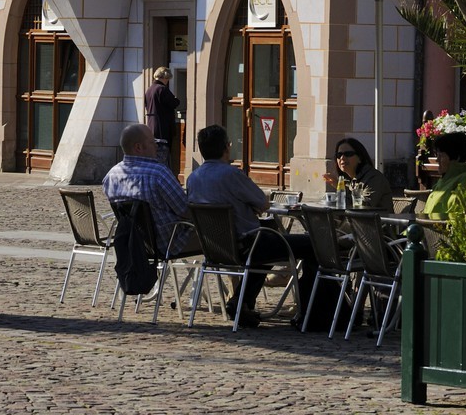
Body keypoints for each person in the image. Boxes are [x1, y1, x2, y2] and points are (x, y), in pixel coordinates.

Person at [186, 123, 315, 329]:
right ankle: (312, 307)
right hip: (247, 244)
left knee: (266, 247)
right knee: (312, 244)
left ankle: (241, 303)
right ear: (226, 148)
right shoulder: (231, 174)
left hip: (215, 247)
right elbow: (263, 203)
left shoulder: (193, 178)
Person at [102, 122, 199, 260]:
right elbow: (186, 210)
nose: (156, 146)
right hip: (168, 243)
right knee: (217, 233)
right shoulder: (158, 173)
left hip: (133, 243)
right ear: (138, 147)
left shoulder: (111, 176)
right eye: (152, 142)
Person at [423, 131, 466, 220]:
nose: (437, 160)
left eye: (441, 155)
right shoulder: (444, 179)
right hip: (428, 226)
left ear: (456, 157)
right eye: (437, 155)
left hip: (441, 227)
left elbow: (459, 216)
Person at [334, 136, 393, 211]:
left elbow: (364, 207)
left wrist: (341, 191)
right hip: (353, 218)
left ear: (360, 158)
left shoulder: (374, 178)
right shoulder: (347, 180)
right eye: (339, 155)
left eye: (348, 154)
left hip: (378, 218)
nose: (342, 158)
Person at [143, 66, 181, 166]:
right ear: (165, 77)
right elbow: (174, 103)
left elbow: (147, 106)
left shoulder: (149, 90)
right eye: (167, 79)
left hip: (151, 125)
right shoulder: (162, 89)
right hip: (162, 126)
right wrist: (176, 99)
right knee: (163, 156)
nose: (167, 81)